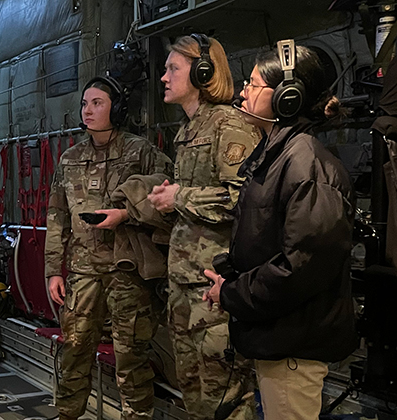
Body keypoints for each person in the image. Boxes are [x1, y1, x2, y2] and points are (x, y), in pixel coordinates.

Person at [204, 40, 357, 420]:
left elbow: (300, 268)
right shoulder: (282, 155)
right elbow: (269, 240)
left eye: (253, 84)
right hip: (278, 338)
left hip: (293, 347)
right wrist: (230, 270)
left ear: (287, 98)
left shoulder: (306, 165)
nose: (243, 90)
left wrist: (233, 293)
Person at [45, 75, 173, 420]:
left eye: (97, 103)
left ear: (116, 108)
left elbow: (168, 206)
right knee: (74, 351)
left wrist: (125, 215)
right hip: (83, 271)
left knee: (131, 356)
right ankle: (68, 413)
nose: (88, 110)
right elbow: (56, 216)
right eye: (85, 103)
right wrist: (53, 270)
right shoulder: (70, 158)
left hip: (127, 270)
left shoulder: (141, 153)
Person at [147, 34, 260, 420]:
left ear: (202, 72)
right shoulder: (190, 129)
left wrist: (179, 197)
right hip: (186, 289)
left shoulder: (228, 125)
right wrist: (171, 198)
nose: (164, 77)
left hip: (215, 291)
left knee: (225, 400)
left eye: (172, 69)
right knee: (196, 398)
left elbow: (243, 201)